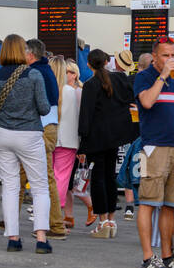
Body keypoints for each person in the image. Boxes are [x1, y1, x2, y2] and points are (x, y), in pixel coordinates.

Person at [0, 34, 54, 253]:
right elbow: (44, 108)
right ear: (22, 51)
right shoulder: (34, 74)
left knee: (11, 186)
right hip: (29, 134)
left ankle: (13, 237)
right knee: (40, 185)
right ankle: (41, 238)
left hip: (3, 134)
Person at [131, 37, 174, 268]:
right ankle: (148, 257)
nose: (171, 59)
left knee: (169, 205)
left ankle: (167, 256)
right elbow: (146, 102)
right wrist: (163, 75)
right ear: (154, 57)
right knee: (147, 202)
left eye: (173, 55)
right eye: (165, 55)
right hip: (154, 147)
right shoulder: (144, 77)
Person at [78, 49, 136, 239]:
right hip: (116, 137)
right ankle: (111, 219)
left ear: (89, 64)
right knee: (111, 177)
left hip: (96, 138)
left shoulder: (91, 85)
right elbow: (130, 100)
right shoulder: (119, 80)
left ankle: (103, 221)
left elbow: (85, 116)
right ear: (107, 62)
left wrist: (83, 144)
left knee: (98, 179)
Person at [17, 39, 66, 239]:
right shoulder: (47, 72)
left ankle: (56, 226)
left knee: (44, 178)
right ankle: (9, 216)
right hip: (47, 128)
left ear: (30, 55)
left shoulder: (34, 73)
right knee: (19, 176)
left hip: (40, 129)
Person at [51, 56, 88, 228]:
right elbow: (81, 118)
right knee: (62, 179)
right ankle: (56, 213)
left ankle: (51, 212)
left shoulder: (51, 89)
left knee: (51, 177)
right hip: (69, 140)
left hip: (51, 137)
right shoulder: (74, 92)